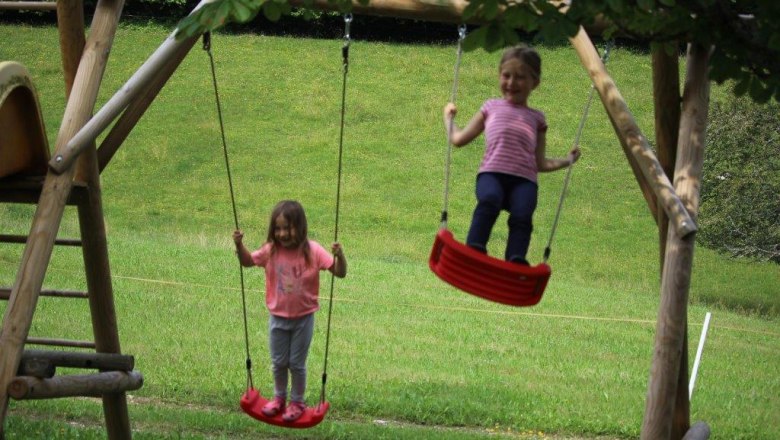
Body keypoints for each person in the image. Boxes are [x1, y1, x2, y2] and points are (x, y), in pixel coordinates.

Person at [443, 44, 581, 265]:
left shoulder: (537, 119)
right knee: (489, 200)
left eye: (520, 77)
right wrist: (448, 118)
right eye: (506, 75)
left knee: (522, 215)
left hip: (524, 181)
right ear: (499, 76)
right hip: (492, 175)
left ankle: (516, 259)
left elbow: (540, 163)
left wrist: (568, 159)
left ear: (534, 83)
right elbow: (458, 140)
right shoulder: (490, 107)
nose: (511, 83)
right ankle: (475, 247)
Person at [232, 200, 347, 422]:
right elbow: (247, 262)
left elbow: (340, 273)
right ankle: (279, 399)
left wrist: (340, 256)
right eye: (278, 228)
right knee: (278, 362)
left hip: (304, 319)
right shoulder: (271, 250)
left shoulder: (313, 251)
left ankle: (297, 402)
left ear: (300, 226)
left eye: (288, 227)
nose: (282, 233)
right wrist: (239, 245)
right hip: (277, 318)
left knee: (296, 364)